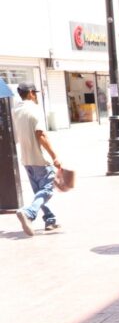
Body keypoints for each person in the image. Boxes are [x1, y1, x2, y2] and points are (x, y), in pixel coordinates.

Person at [13, 83, 62, 236]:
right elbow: (40, 135)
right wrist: (54, 156)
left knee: (39, 193)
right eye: (34, 93)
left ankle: (50, 219)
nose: (35, 96)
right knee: (47, 190)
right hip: (40, 159)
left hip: (26, 158)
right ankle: (29, 212)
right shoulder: (34, 109)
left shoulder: (16, 110)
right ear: (30, 93)